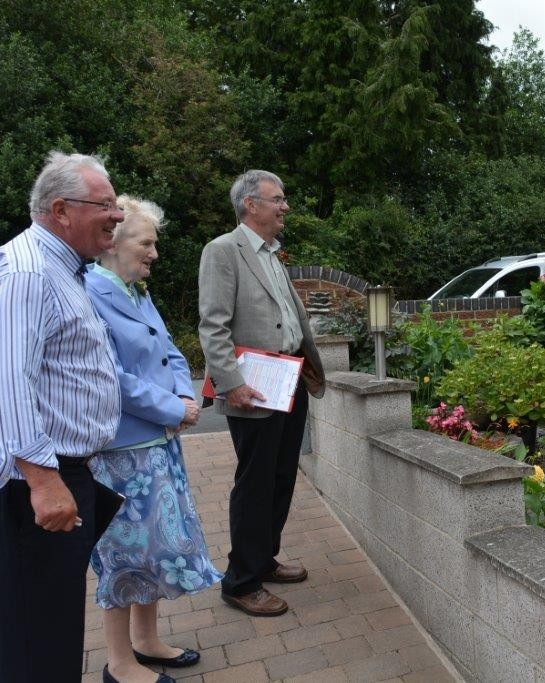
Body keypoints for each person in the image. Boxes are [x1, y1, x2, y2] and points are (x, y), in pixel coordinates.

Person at [86, 196, 224, 683]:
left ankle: (146, 641)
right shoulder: (91, 292)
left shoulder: (135, 292)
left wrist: (185, 399)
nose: (155, 253)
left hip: (158, 442)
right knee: (124, 555)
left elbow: (170, 354)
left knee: (154, 549)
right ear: (114, 243)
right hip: (122, 451)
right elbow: (112, 378)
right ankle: (119, 663)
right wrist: (173, 408)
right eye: (147, 243)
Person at [0, 151, 124, 682]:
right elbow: (10, 378)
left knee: (49, 622)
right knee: (39, 636)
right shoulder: (28, 271)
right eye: (107, 205)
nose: (118, 216)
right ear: (60, 210)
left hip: (67, 472)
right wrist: (44, 480)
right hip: (43, 481)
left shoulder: (65, 267)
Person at [198, 170, 325, 617]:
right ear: (251, 204)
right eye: (277, 199)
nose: (284, 206)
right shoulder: (222, 251)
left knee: (281, 477)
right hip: (253, 387)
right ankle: (240, 581)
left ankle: (264, 558)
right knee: (254, 484)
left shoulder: (272, 254)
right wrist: (231, 384)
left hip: (288, 380)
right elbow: (212, 325)